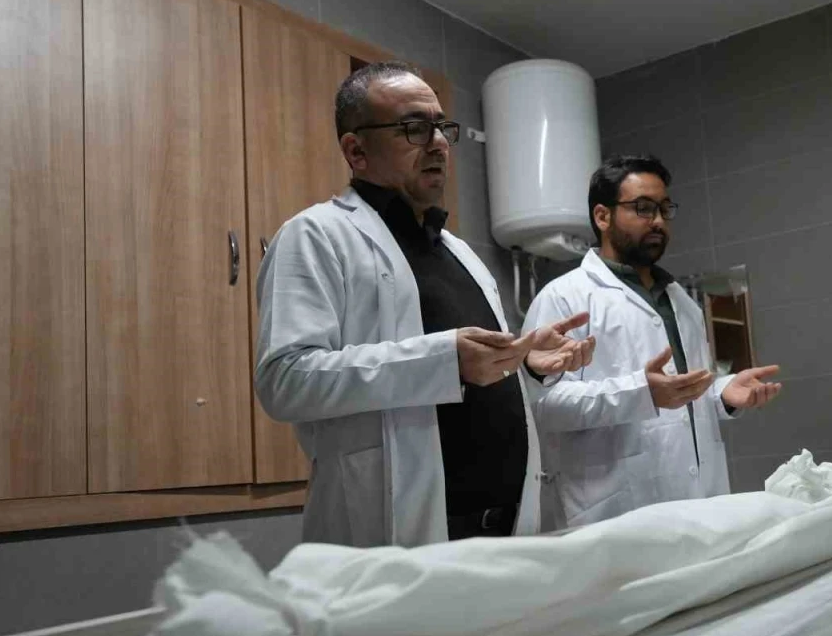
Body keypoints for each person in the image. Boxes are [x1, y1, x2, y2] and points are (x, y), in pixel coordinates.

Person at [254, 61, 595, 547]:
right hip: (395, 531)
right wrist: (443, 361)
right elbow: (284, 380)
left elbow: (469, 377)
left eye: (441, 127)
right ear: (356, 150)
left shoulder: (462, 254)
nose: (437, 143)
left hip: (507, 529)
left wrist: (524, 366)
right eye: (414, 128)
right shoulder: (316, 235)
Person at [522, 155, 783, 529]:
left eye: (664, 208)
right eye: (643, 208)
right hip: (614, 510)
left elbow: (682, 394)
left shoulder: (681, 302)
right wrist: (640, 393)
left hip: (701, 501)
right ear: (602, 216)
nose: (658, 220)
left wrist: (721, 393)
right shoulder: (563, 298)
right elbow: (544, 407)